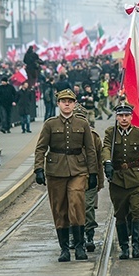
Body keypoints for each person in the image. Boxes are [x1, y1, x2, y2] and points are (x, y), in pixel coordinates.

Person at [34, 88, 98, 262]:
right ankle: (64, 249)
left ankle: (79, 246)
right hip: (56, 171)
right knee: (59, 208)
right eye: (64, 101)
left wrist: (93, 172)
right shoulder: (50, 124)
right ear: (58, 104)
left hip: (78, 169)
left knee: (76, 203)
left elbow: (91, 150)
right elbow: (41, 148)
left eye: (70, 101)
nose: (67, 104)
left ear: (75, 103)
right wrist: (38, 169)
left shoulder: (82, 124)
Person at [102, 101, 139, 259]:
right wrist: (107, 162)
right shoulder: (110, 132)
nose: (123, 119)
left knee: (137, 212)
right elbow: (106, 148)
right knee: (120, 214)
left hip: (136, 179)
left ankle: (136, 246)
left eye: (126, 115)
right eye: (120, 116)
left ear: (131, 116)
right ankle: (124, 248)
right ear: (116, 117)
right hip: (118, 180)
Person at [73, 104, 104, 252]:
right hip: (71, 178)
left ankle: (89, 235)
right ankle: (75, 236)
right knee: (72, 208)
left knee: (88, 208)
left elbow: (99, 162)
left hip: (89, 179)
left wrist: (99, 182)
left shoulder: (94, 137)